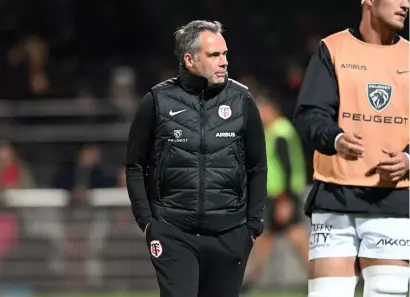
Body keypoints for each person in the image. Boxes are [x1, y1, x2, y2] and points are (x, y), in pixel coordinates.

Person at [126, 20, 267, 297]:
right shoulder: (157, 101)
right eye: (214, 55)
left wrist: (252, 227)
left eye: (225, 54)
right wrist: (147, 222)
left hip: (230, 233)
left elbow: (257, 166)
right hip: (172, 232)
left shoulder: (242, 100)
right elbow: (134, 165)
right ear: (189, 59)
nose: (224, 62)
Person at [293, 0, 410, 296]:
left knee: (387, 290)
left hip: (393, 199)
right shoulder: (332, 49)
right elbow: (309, 114)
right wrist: (336, 139)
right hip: (335, 197)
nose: (406, 4)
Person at [241, 93, 309, 294]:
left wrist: (284, 201)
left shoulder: (281, 132)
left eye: (262, 110)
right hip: (276, 196)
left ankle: (245, 284)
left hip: (282, 196)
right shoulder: (275, 131)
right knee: (270, 239)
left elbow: (287, 168)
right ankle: (247, 283)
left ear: (272, 109)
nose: (260, 115)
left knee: (293, 238)